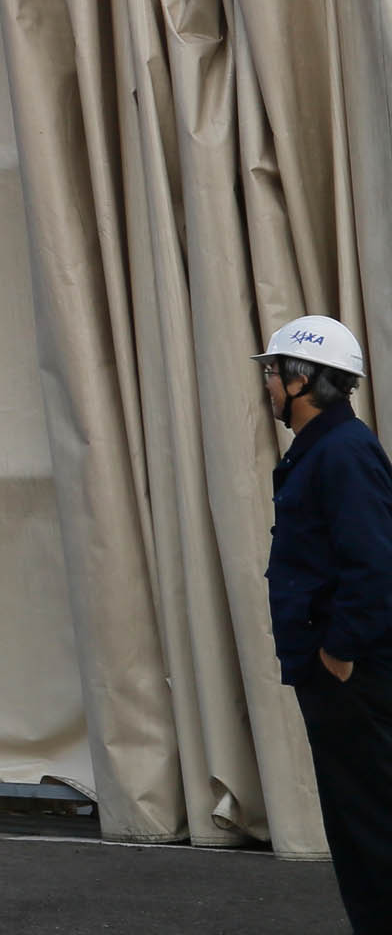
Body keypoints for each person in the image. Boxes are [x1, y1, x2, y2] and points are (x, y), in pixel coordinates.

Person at [260, 313, 392, 933]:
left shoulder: (342, 450)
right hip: (337, 671)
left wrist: (339, 652)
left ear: (302, 377)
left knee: (370, 820)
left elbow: (372, 564)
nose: (267, 384)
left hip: (351, 673)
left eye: (273, 372)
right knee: (357, 817)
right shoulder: (324, 449)